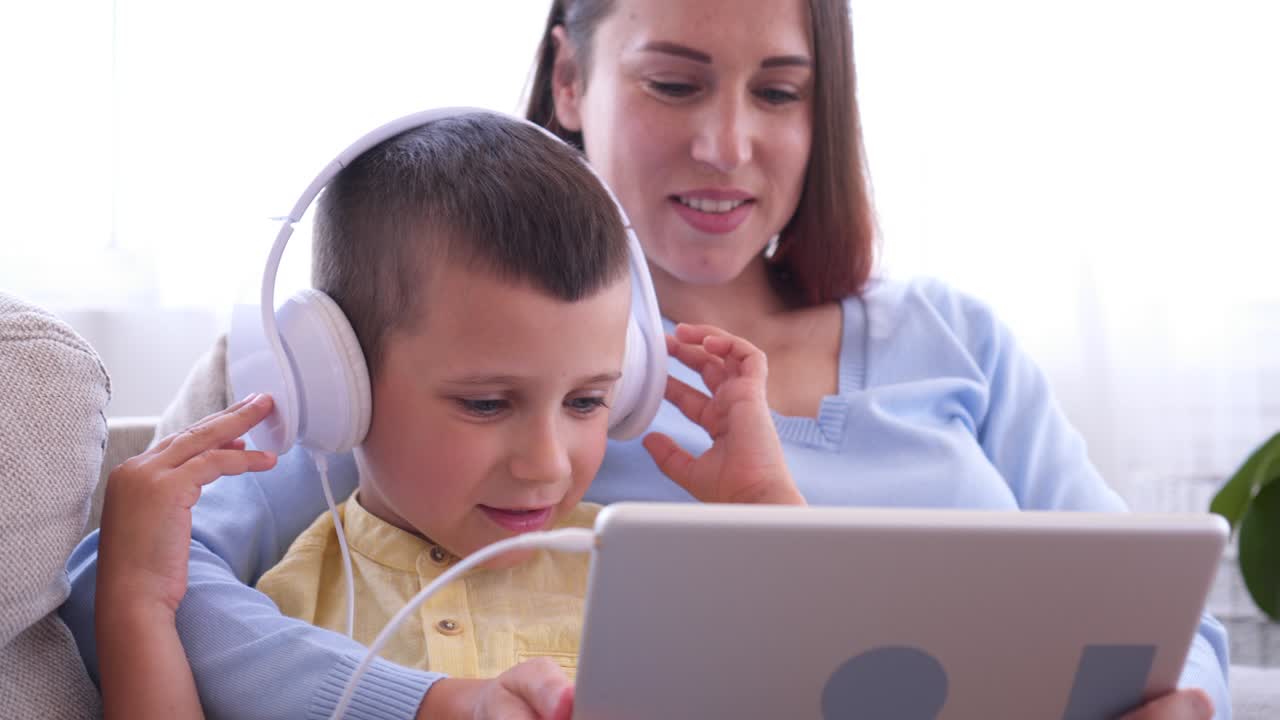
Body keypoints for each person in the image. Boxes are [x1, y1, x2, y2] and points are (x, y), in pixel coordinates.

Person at [63, 1, 1230, 718]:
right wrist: (420, 703)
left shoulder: (959, 342)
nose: (728, 143)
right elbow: (145, 579)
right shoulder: (399, 370)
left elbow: (1168, 610)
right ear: (568, 79)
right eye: (672, 82)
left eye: (778, 91)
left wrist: (1187, 701)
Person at [88, 113, 800, 720]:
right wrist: (138, 600)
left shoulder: (644, 579)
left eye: (587, 401)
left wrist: (765, 511)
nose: (547, 463)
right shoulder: (296, 596)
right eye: (487, 403)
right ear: (338, 386)